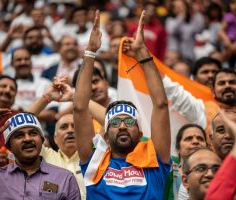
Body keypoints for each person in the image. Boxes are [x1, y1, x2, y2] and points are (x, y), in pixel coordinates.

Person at [73, 10, 171, 199]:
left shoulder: (155, 159)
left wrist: (143, 54)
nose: (123, 126)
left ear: (141, 133)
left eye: (129, 121)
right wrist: (90, 52)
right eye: (115, 123)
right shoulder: (94, 161)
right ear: (106, 136)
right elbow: (79, 107)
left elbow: (160, 105)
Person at [0, 109, 81, 199]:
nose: (28, 139)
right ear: (9, 147)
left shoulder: (65, 178)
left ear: (42, 140)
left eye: (33, 133)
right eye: (19, 135)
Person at [163, 67, 236, 151]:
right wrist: (149, 62)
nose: (227, 86)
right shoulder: (203, 109)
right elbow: (174, 92)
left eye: (232, 82)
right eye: (222, 83)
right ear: (213, 91)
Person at [170, 124, 207, 200]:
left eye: (200, 139)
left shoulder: (215, 174)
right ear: (178, 149)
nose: (196, 141)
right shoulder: (168, 173)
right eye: (188, 138)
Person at [218, 0, 236, 67]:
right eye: (233, 3)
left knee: (233, 63)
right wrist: (229, 44)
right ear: (229, 5)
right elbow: (221, 31)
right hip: (231, 41)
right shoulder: (229, 16)